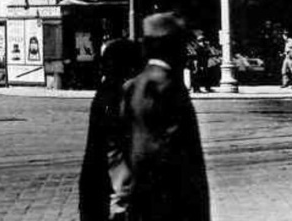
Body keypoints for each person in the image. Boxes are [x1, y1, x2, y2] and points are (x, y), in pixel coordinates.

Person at [115, 12, 210, 221]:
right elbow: (176, 154)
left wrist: (124, 195)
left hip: (139, 199)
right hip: (171, 204)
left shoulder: (131, 86)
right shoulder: (168, 87)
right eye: (181, 44)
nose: (185, 51)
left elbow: (120, 145)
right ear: (170, 46)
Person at [78, 38, 142, 221]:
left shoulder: (105, 92)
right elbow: (115, 151)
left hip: (96, 185)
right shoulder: (118, 96)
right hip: (110, 192)